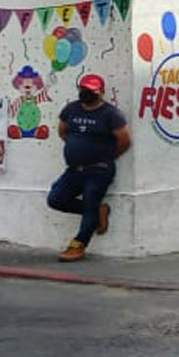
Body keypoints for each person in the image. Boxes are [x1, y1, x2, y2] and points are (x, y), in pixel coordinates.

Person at [49, 73, 130, 262]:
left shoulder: (111, 114)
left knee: (90, 203)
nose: (86, 94)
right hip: (75, 169)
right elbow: (62, 131)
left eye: (91, 91)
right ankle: (98, 211)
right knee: (56, 199)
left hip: (99, 170)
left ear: (101, 92)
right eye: (83, 90)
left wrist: (105, 156)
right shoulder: (71, 109)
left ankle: (78, 245)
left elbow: (124, 140)